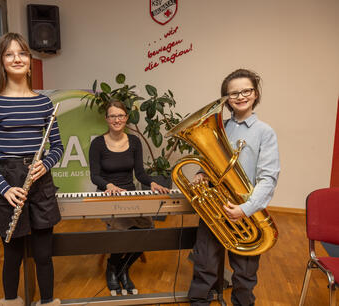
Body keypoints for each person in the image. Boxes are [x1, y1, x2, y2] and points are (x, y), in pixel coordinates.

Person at [0, 32, 63, 306]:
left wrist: (45, 165)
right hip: (8, 182)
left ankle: (47, 301)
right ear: (2, 61)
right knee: (12, 256)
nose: (17, 58)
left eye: (22, 53)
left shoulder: (43, 103)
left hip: (40, 182)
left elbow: (57, 147)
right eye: (10, 54)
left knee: (44, 255)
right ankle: (11, 301)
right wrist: (4, 188)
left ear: (29, 59)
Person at [188, 68, 280, 306]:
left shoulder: (265, 132)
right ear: (225, 99)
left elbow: (268, 178)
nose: (240, 96)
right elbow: (209, 162)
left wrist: (246, 208)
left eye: (246, 90)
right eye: (233, 93)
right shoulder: (219, 128)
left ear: (256, 93)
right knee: (205, 265)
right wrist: (201, 172)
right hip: (214, 209)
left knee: (244, 275)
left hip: (244, 213)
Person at [88, 100, 170, 295]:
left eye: (121, 116)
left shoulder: (134, 141)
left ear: (126, 118)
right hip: (108, 195)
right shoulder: (98, 143)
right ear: (107, 119)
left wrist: (152, 183)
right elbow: (95, 176)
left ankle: (120, 269)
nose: (117, 119)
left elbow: (140, 173)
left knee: (148, 230)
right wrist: (109, 185)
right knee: (122, 229)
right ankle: (114, 270)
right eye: (112, 116)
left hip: (131, 193)